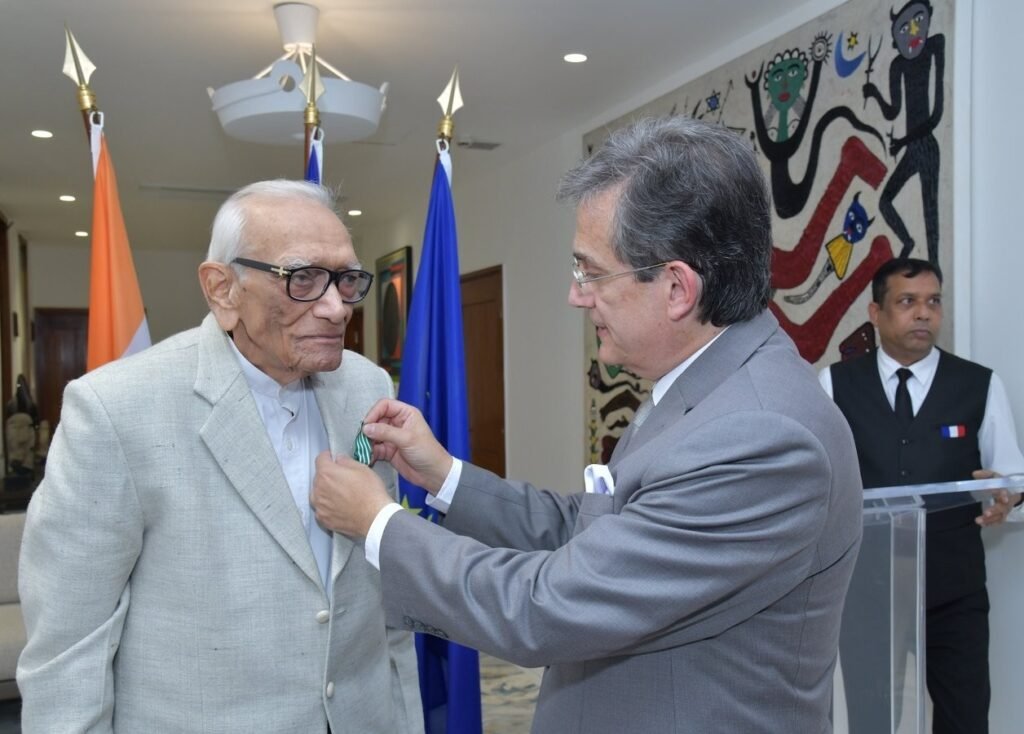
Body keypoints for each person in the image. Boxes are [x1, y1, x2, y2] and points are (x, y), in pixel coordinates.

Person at [310, 116, 864, 733]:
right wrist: (444, 475)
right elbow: (589, 532)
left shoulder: (762, 437)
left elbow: (546, 608)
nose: (577, 296)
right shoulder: (705, 390)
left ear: (677, 287)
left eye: (591, 273)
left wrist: (377, 521)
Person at [17, 180, 423, 734]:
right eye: (302, 278)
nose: (336, 308)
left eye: (346, 280)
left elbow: (380, 593)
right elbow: (68, 651)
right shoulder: (116, 409)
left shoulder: (366, 385)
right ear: (223, 289)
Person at [820, 257, 1024, 734]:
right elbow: (818, 479)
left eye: (933, 302)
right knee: (871, 722)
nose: (924, 314)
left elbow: (1012, 478)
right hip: (866, 588)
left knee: (965, 717)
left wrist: (1008, 498)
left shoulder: (979, 384)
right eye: (907, 302)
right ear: (876, 313)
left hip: (955, 589)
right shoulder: (835, 385)